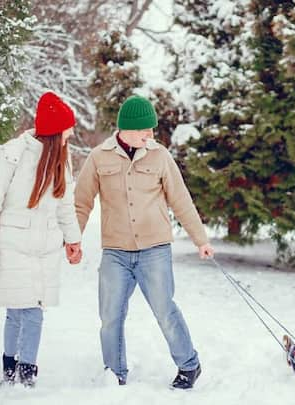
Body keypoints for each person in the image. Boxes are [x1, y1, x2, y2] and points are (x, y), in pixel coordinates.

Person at [74, 95, 214, 389]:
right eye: (145, 130)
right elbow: (81, 202)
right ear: (127, 129)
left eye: (152, 130)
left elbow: (181, 200)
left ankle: (189, 365)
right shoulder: (99, 157)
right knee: (110, 315)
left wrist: (200, 239)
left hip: (154, 250)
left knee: (165, 310)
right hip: (116, 252)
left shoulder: (160, 156)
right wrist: (73, 239)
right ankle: (115, 371)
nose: (151, 135)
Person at [0, 91, 83, 387]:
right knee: (16, 310)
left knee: (33, 310)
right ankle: (13, 369)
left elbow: (65, 205)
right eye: (66, 131)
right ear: (53, 133)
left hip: (46, 248)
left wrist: (73, 241)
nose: (70, 136)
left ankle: (26, 371)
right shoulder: (12, 154)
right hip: (13, 246)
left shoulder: (62, 160)